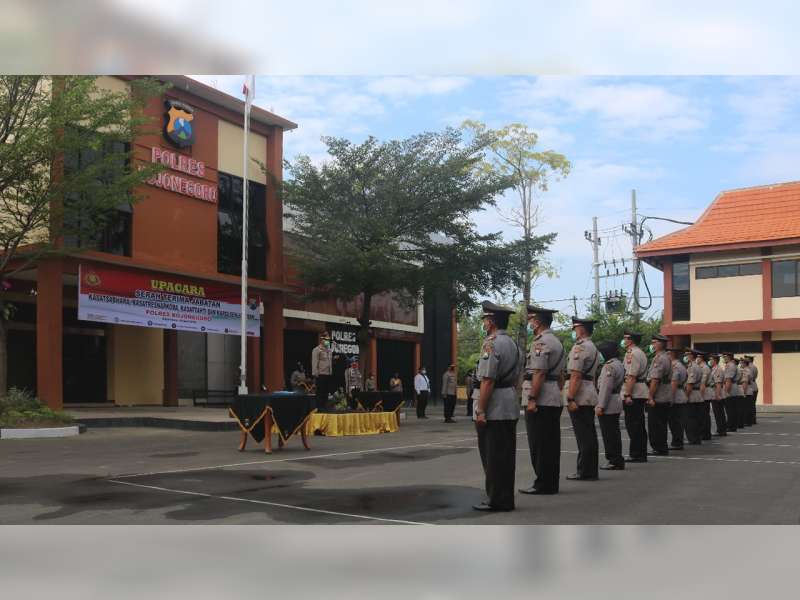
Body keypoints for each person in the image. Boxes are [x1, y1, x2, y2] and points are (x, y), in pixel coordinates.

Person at [473, 301, 523, 512]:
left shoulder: (491, 344)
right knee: (505, 456)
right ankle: (504, 498)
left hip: (494, 406)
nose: (484, 323)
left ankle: (497, 499)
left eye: (485, 319)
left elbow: (487, 380)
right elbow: (517, 379)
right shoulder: (513, 344)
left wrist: (481, 409)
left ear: (491, 322)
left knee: (493, 456)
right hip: (508, 402)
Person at [519, 306, 565, 495]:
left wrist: (532, 398)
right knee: (551, 443)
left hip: (542, 399)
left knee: (540, 444)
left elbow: (538, 373)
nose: (529, 323)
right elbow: (561, 375)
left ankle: (543, 483)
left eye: (531, 320)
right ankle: (550, 482)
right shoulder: (556, 341)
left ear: (536, 322)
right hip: (552, 395)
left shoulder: (541, 342)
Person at [565, 316, 600, 481]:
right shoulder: (592, 347)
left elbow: (576, 375)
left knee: (584, 436)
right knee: (589, 434)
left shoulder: (580, 348)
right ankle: (590, 469)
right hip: (588, 392)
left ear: (581, 330)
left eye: (575, 328)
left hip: (580, 395)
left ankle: (585, 471)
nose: (573, 331)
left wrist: (570, 397)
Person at [596, 340, 625, 470]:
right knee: (614, 433)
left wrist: (600, 405)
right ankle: (616, 458)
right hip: (615, 400)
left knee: (609, 434)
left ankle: (614, 460)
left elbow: (605, 388)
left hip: (608, 402)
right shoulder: (618, 363)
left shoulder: (609, 366)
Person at [621, 331, 649, 463]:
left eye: (625, 338)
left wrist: (627, 394)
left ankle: (637, 454)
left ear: (631, 340)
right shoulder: (639, 352)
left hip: (635, 392)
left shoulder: (632, 354)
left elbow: (631, 376)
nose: (624, 341)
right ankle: (639, 453)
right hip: (639, 390)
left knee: (634, 425)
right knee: (637, 424)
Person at [646, 334, 672, 456]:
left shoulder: (660, 358)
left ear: (661, 344)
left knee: (656, 424)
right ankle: (661, 446)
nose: (652, 345)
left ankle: (659, 447)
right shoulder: (664, 357)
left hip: (659, 395)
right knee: (660, 423)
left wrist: (650, 396)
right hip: (664, 394)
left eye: (654, 342)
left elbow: (655, 380)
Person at [667, 347, 688, 450]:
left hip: (676, 396)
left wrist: (670, 398)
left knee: (675, 422)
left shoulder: (674, 366)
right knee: (678, 421)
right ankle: (678, 441)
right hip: (681, 394)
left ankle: (677, 442)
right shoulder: (681, 365)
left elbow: (674, 383)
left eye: (668, 353)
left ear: (671, 354)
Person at [684, 348, 704, 445]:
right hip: (697, 394)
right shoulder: (696, 366)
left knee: (690, 419)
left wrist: (686, 396)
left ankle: (693, 438)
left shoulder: (692, 367)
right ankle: (696, 437)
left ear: (691, 355)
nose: (686, 356)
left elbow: (690, 384)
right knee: (696, 418)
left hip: (692, 395)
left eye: (687, 354)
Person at [311, 333, 333, 410]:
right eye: (326, 340)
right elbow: (314, 362)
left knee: (326, 392)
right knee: (320, 391)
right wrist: (315, 374)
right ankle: (319, 407)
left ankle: (325, 406)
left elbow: (329, 362)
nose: (328, 341)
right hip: (320, 374)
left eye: (328, 340)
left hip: (328, 373)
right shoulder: (316, 350)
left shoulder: (329, 350)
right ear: (322, 340)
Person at [709, 353, 727, 436]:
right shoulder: (714, 369)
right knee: (718, 413)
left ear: (715, 360)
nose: (710, 361)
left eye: (711, 359)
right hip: (715, 392)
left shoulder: (718, 369)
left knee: (719, 413)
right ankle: (721, 429)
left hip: (717, 393)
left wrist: (717, 395)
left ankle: (721, 430)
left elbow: (718, 384)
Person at [697, 350, 713, 441]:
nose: (697, 359)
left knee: (704, 415)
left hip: (705, 393)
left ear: (701, 358)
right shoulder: (702, 367)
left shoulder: (704, 368)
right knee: (703, 415)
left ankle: (705, 434)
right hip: (705, 392)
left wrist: (701, 396)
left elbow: (703, 384)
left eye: (698, 357)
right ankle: (704, 433)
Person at [721, 352, 739, 432]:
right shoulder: (732, 365)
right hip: (733, 387)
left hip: (730, 388)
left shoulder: (730, 366)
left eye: (725, 357)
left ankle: (731, 426)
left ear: (729, 357)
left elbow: (728, 379)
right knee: (732, 409)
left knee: (730, 409)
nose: (724, 358)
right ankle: (733, 425)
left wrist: (726, 391)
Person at [739, 357, 753, 427]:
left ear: (744, 363)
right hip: (749, 390)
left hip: (746, 390)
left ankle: (746, 421)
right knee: (748, 406)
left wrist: (744, 392)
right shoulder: (749, 370)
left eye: (741, 363)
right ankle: (748, 421)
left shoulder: (745, 371)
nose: (740, 364)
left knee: (745, 407)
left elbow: (745, 382)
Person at [748, 355, 759, 424]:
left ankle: (751, 419)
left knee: (749, 404)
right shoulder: (754, 367)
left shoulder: (749, 367)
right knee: (752, 404)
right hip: (754, 386)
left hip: (750, 386)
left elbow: (749, 377)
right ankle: (753, 419)